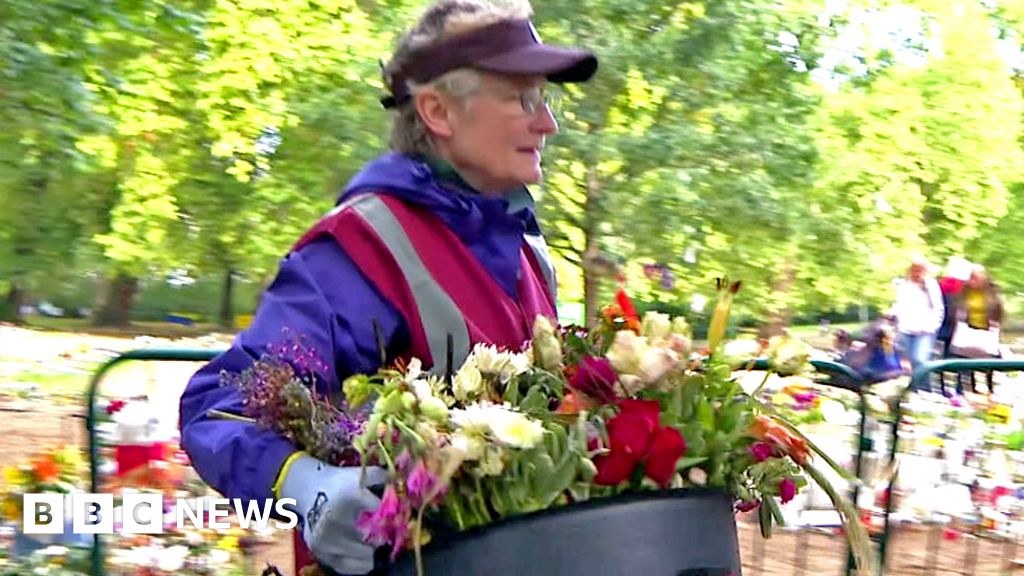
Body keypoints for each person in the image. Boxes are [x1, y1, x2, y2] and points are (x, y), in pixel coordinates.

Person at [178, 1, 598, 574]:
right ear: (437, 111)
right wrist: (309, 486)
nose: (546, 122)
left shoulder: (527, 249)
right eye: (523, 99)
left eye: (545, 100)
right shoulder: (362, 247)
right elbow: (219, 406)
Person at [890, 255, 943, 390]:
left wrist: (932, 326)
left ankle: (925, 389)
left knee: (920, 359)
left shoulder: (930, 286)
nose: (917, 273)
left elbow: (938, 308)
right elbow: (899, 305)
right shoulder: (904, 285)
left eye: (920, 270)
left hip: (925, 330)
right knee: (911, 361)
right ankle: (915, 389)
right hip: (906, 328)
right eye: (914, 269)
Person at [950, 264, 1004, 394]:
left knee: (987, 362)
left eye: (977, 277)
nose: (974, 280)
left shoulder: (992, 292)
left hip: (986, 330)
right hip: (968, 329)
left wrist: (995, 324)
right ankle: (964, 389)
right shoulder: (963, 292)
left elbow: (999, 310)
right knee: (965, 359)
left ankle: (990, 389)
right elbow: (956, 307)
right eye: (972, 277)